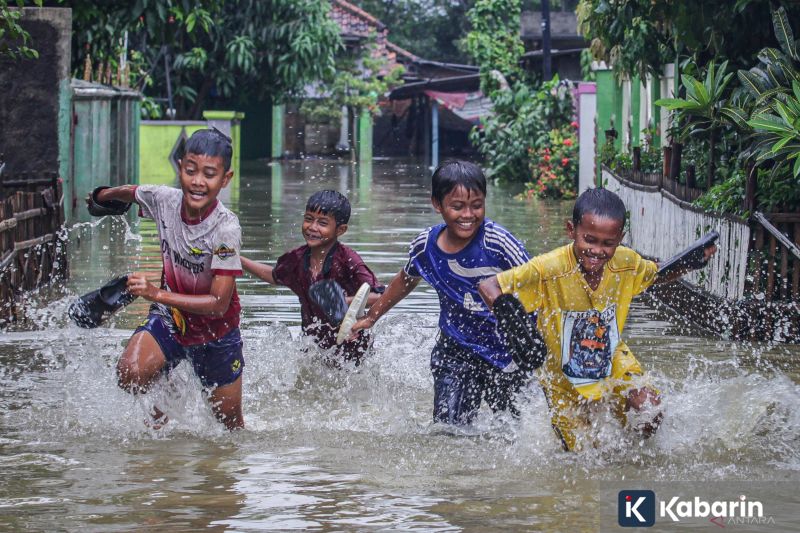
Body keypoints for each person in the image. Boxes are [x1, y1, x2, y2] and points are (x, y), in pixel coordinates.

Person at [478, 188, 718, 451]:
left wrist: (689, 263)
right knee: (583, 455)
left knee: (651, 410)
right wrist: (514, 324)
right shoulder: (549, 268)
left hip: (612, 359)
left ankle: (634, 454)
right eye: (589, 240)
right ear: (571, 230)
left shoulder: (626, 262)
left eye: (607, 244)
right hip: (562, 378)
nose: (597, 251)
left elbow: (656, 274)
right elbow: (489, 286)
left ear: (620, 239)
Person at [351, 160, 536, 425]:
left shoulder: (498, 242)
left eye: (476, 205)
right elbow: (406, 280)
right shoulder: (425, 246)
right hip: (455, 350)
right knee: (449, 428)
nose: (468, 215)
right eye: (457, 206)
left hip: (507, 353)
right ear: (437, 204)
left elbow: (537, 281)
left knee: (511, 429)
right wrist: (372, 317)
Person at [86, 128, 245, 430]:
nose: (198, 181)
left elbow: (218, 303)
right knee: (130, 375)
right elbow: (131, 192)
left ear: (225, 179)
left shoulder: (226, 229)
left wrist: (155, 293)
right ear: (180, 167)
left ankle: (176, 384)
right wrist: (100, 197)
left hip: (216, 333)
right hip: (171, 317)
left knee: (230, 428)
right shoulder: (164, 200)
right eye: (191, 171)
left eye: (209, 174)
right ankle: (171, 378)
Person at [240, 190, 384, 365]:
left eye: (322, 223)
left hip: (353, 352)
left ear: (340, 230)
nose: (312, 227)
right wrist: (238, 260)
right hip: (313, 349)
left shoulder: (348, 260)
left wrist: (344, 302)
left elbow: (380, 296)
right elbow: (274, 275)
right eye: (308, 219)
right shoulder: (296, 259)